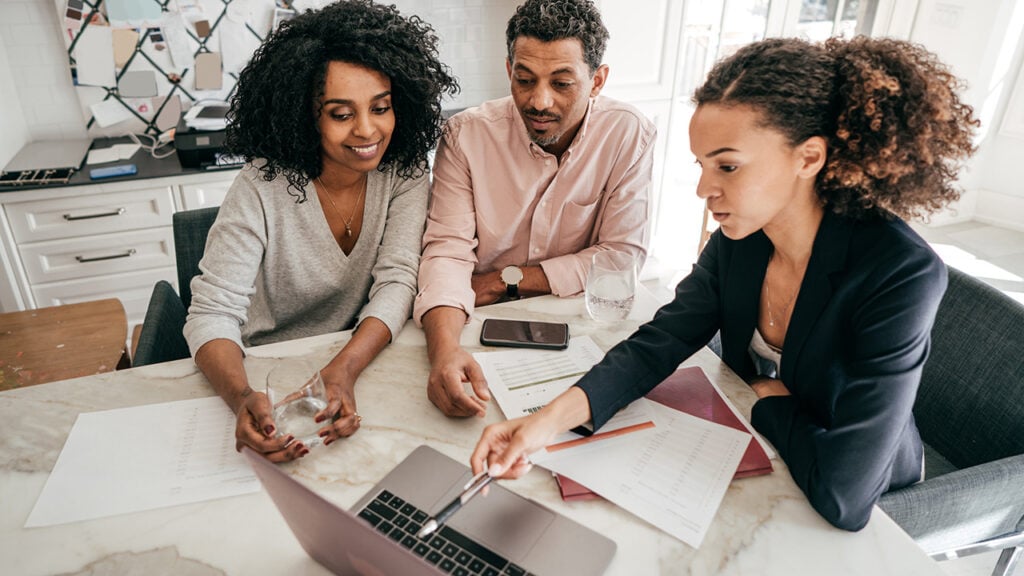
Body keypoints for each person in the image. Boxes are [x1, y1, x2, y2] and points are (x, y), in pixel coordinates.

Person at [469, 36, 978, 531]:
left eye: (728, 166)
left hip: (863, 496)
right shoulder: (744, 235)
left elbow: (845, 495)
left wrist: (769, 404)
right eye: (703, 165)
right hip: (760, 455)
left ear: (808, 158)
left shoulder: (897, 272)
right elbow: (660, 341)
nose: (703, 189)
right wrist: (543, 424)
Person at [183, 0, 458, 462]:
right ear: (306, 115)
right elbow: (211, 313)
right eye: (341, 113)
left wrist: (344, 370)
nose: (368, 131)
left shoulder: (404, 171)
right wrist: (241, 396)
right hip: (264, 368)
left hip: (359, 359)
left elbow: (398, 280)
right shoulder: (261, 185)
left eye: (381, 107)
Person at [415, 0, 657, 419]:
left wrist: (500, 281)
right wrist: (444, 353)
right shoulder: (466, 136)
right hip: (474, 322)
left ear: (597, 81)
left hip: (583, 330)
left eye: (562, 83)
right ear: (509, 70)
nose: (539, 101)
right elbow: (446, 253)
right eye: (525, 80)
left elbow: (621, 257)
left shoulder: (627, 133)